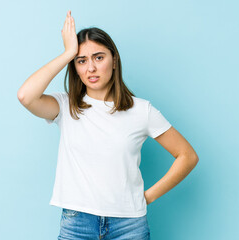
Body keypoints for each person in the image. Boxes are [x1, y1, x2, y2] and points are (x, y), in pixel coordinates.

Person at [17, 10, 199, 240]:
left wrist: (148, 196)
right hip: (77, 224)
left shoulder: (142, 110)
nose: (90, 68)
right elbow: (26, 96)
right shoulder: (65, 106)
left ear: (114, 60)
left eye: (99, 57)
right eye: (81, 61)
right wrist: (68, 53)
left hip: (129, 226)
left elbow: (187, 155)